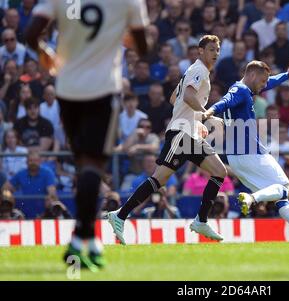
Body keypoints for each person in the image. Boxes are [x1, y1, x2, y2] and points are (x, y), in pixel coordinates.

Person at [25, 0, 153, 271]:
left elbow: (31, 33)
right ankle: (79, 239)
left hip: (68, 89)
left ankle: (90, 240)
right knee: (93, 166)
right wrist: (117, 32)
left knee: (84, 164)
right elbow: (143, 47)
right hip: (103, 91)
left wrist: (46, 53)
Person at [108, 35, 229, 243]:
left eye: (218, 49)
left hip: (188, 132)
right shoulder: (199, 70)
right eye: (211, 49)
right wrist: (206, 115)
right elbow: (188, 97)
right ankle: (119, 215)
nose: (215, 53)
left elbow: (175, 98)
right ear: (200, 51)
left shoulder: (195, 72)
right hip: (181, 134)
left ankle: (201, 219)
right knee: (159, 178)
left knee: (219, 171)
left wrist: (195, 120)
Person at [203, 60, 289, 241]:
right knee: (286, 189)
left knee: (280, 197)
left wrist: (287, 74)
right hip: (251, 152)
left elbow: (269, 83)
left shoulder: (242, 88)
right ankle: (252, 199)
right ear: (252, 75)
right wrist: (209, 111)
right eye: (262, 81)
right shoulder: (241, 91)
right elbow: (225, 101)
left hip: (236, 159)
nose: (264, 86)